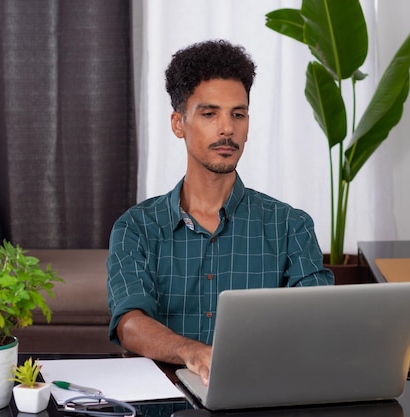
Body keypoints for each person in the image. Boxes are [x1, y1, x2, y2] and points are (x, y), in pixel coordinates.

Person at [107, 39, 333, 385]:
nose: (227, 128)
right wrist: (192, 352)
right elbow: (129, 322)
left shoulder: (290, 226)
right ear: (178, 123)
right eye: (209, 114)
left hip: (261, 397)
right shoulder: (136, 228)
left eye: (238, 114)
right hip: (167, 401)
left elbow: (322, 316)